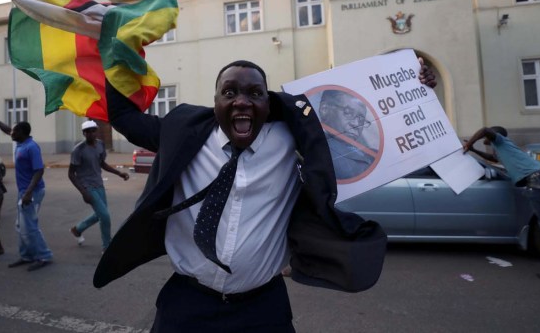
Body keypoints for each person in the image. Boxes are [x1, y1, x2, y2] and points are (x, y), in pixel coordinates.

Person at [94, 59, 436, 332]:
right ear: (215, 102)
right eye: (229, 93)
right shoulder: (182, 132)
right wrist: (114, 54)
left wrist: (415, 87)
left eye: (254, 93)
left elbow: (371, 125)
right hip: (188, 304)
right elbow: (124, 117)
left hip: (261, 309)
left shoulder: (292, 139)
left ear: (267, 101)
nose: (241, 101)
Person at [464, 126, 540, 285]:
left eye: (488, 137)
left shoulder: (502, 141)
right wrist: (474, 151)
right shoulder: (503, 150)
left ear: (494, 136)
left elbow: (484, 130)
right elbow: (492, 159)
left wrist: (469, 144)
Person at [0, 111, 53, 272]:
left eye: (15, 131)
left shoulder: (31, 147)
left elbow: (39, 171)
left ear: (22, 133)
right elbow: (7, 129)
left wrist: (28, 193)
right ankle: (26, 255)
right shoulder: (20, 142)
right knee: (21, 225)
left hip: (32, 192)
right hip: (24, 192)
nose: (11, 132)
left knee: (30, 226)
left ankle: (44, 255)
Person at [68, 120, 129, 251]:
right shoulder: (78, 150)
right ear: (83, 133)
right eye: (87, 131)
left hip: (99, 184)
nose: (91, 134)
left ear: (96, 131)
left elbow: (102, 164)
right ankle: (107, 247)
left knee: (99, 214)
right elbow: (71, 174)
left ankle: (77, 229)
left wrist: (119, 173)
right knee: (105, 216)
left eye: (93, 130)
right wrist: (83, 192)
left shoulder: (100, 145)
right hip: (87, 186)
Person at [318, 90, 377, 180]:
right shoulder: (321, 155)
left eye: (361, 118)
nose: (356, 123)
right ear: (324, 109)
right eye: (348, 112)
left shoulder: (371, 153)